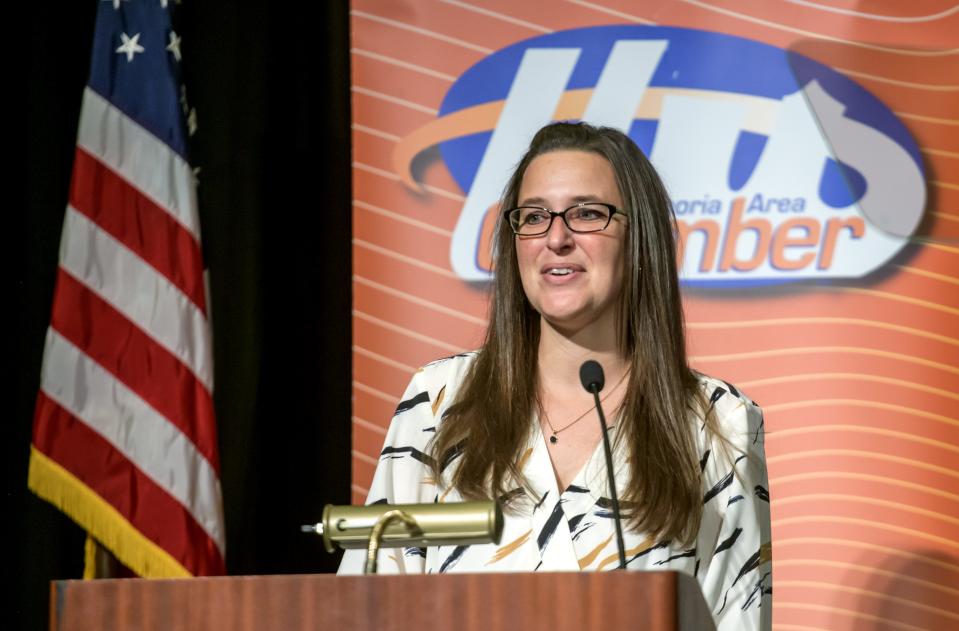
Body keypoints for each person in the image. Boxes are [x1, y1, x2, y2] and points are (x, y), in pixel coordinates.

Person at [339, 121, 772, 631]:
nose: (557, 238)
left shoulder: (718, 421)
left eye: (587, 213)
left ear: (641, 238)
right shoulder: (438, 402)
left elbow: (737, 614)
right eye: (535, 217)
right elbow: (365, 605)